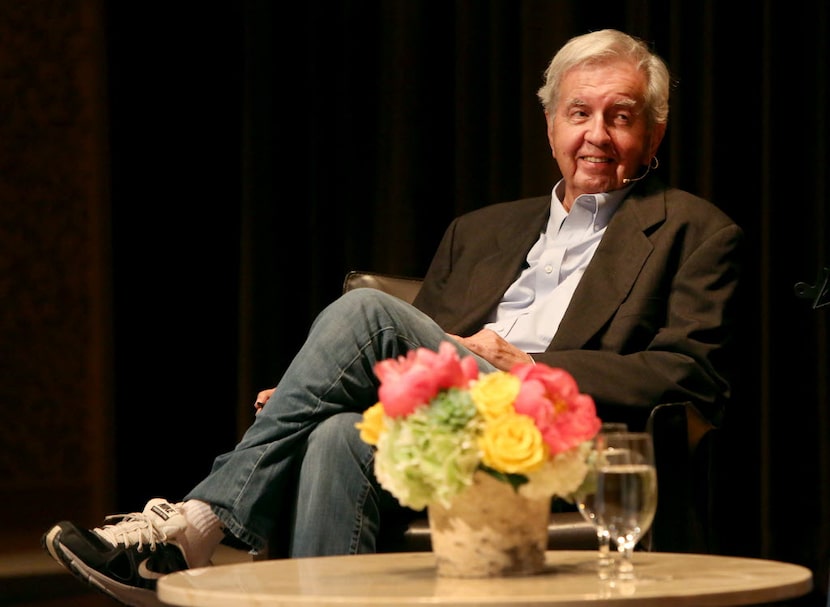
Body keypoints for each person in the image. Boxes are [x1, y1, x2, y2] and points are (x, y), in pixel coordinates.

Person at [42, 28, 742, 607]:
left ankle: (198, 524)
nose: (596, 134)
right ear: (550, 122)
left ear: (653, 135)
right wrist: (307, 394)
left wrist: (531, 366)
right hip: (454, 430)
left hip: (560, 434)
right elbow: (411, 373)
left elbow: (691, 372)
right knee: (337, 433)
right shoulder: (481, 231)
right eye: (579, 113)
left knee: (370, 312)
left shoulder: (695, 230)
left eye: (620, 116)